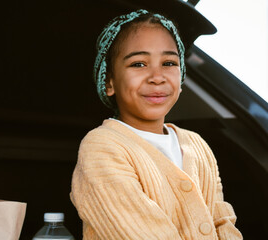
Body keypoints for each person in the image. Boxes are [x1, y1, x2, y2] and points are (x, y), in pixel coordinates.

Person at [70, 9, 243, 240]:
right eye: (139, 64)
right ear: (109, 81)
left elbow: (223, 222)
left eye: (169, 63)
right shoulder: (102, 147)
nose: (157, 76)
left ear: (181, 79)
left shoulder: (198, 145)